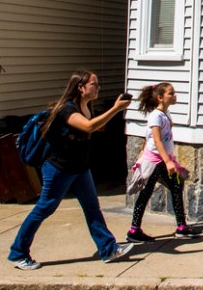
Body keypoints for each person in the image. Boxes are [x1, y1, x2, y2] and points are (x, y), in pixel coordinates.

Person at [8, 71, 135, 270]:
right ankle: (18, 253)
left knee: (92, 209)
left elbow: (91, 128)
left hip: (80, 169)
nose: (98, 88)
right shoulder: (66, 110)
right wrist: (116, 109)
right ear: (80, 87)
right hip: (59, 169)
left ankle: (108, 249)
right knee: (44, 209)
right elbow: (89, 126)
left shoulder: (85, 106)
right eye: (94, 84)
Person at [126, 83, 201, 242]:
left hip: (163, 159)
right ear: (160, 97)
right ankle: (134, 230)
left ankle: (181, 227)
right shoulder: (156, 115)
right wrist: (168, 161)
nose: (175, 96)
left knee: (176, 186)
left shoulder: (165, 114)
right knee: (146, 192)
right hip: (155, 161)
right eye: (171, 93)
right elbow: (157, 140)